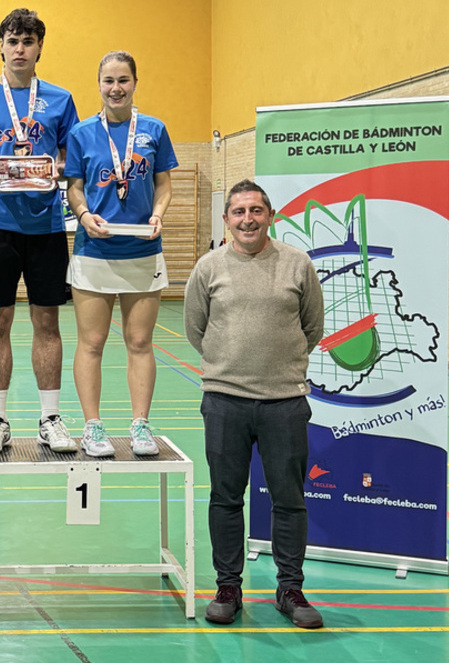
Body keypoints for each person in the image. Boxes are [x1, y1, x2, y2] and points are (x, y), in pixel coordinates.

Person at [184, 179, 325, 629]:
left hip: (283, 402)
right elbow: (195, 328)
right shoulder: (208, 267)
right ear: (226, 220)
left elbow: (312, 327)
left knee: (289, 499)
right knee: (226, 498)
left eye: (257, 210)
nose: (248, 218)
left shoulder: (297, 264)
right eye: (239, 211)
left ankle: (290, 588)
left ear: (271, 216)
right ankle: (228, 586)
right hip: (224, 401)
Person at [0, 8, 79, 455]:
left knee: (48, 321)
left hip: (44, 224)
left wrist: (54, 168)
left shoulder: (61, 99)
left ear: (40, 47)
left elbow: (71, 159)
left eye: (28, 41)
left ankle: (50, 418)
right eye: (13, 41)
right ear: (1, 46)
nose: (20, 48)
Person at [64, 50, 177, 458]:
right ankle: (92, 427)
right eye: (108, 81)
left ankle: (140, 426)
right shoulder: (81, 134)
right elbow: (75, 186)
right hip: (95, 251)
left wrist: (159, 214)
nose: (116, 88)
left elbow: (163, 185)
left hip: (143, 250)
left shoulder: (153, 130)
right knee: (91, 342)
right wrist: (83, 213)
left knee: (140, 341)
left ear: (134, 82)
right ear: (99, 85)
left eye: (123, 80)